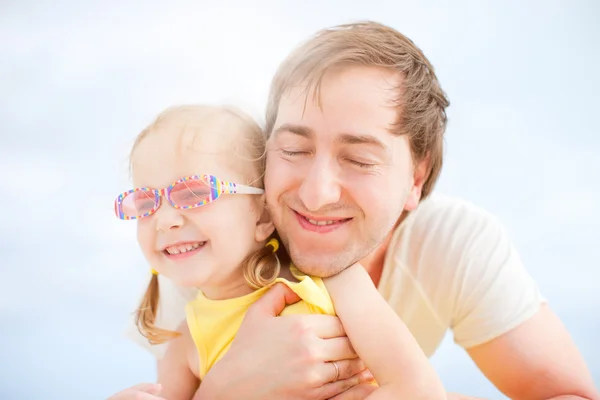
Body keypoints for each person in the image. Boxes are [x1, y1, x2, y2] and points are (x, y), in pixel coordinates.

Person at [119, 21, 599, 400]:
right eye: (293, 150)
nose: (317, 193)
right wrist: (228, 390)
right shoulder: (203, 250)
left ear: (415, 178)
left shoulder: (452, 243)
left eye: (358, 159)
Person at [110, 104, 446, 400]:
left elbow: (419, 391)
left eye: (194, 192)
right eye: (144, 202)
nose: (165, 220)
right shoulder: (184, 345)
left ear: (265, 213)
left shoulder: (335, 284)